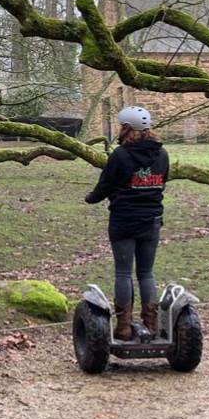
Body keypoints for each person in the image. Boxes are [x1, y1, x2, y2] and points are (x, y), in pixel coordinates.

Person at [84, 106, 169, 341]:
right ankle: (151, 325)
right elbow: (163, 182)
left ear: (126, 128)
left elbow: (105, 185)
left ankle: (123, 327)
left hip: (124, 220)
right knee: (146, 273)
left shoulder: (120, 155)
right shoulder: (162, 154)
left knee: (123, 273)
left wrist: (91, 198)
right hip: (151, 221)